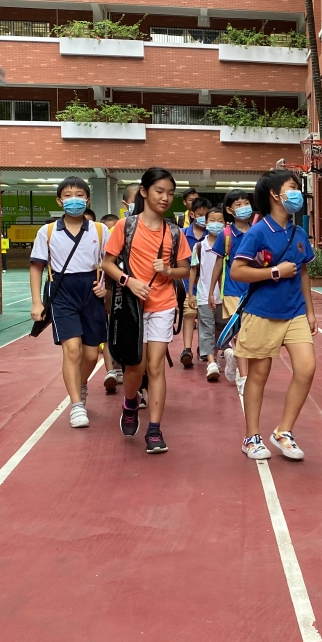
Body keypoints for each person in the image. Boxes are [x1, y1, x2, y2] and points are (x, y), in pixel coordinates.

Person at [102, 168, 191, 454]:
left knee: (155, 367)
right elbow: (107, 264)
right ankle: (130, 404)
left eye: (170, 193)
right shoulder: (125, 227)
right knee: (135, 366)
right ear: (144, 191)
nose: (165, 198)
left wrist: (168, 270)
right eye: (159, 191)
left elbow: (185, 270)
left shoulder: (174, 232)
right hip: (131, 307)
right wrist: (128, 281)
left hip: (163, 305)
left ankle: (154, 430)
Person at [230, 170, 317, 461]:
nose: (298, 193)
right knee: (259, 374)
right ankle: (251, 437)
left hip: (295, 312)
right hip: (262, 312)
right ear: (274, 194)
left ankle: (283, 431)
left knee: (306, 368)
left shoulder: (299, 232)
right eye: (293, 187)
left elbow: (303, 272)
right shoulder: (257, 232)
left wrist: (310, 311)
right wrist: (274, 272)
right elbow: (237, 271)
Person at [29, 177, 108, 429]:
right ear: (59, 201)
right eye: (68, 195)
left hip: (91, 292)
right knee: (72, 349)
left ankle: (80, 384)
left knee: (91, 354)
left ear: (88, 200)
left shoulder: (99, 230)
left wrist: (105, 286)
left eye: (79, 195)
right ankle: (76, 405)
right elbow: (36, 267)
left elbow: (109, 263)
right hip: (62, 292)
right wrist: (37, 303)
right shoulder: (48, 232)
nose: (74, 199)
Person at [211, 189, 255, 390]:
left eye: (246, 203)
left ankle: (233, 357)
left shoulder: (258, 231)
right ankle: (244, 377)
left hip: (254, 291)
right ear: (229, 210)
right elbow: (218, 264)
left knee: (251, 335)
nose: (244, 207)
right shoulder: (226, 235)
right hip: (232, 291)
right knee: (240, 333)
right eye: (238, 204)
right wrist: (211, 291)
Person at [189, 206, 227, 382]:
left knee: (221, 328)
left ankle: (215, 355)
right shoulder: (199, 246)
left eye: (220, 221)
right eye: (212, 220)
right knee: (206, 328)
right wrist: (191, 294)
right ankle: (211, 362)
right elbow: (193, 270)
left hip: (225, 296)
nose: (216, 224)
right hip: (204, 295)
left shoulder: (228, 245)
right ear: (205, 223)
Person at [179, 197, 211, 368]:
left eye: (206, 216)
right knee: (189, 314)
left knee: (206, 317)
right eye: (200, 215)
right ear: (192, 214)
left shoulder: (214, 235)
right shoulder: (182, 234)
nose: (203, 219)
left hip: (208, 285)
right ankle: (187, 349)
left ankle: (203, 348)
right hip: (187, 284)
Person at [99, 214, 122, 393]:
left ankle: (120, 366)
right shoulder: (101, 247)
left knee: (122, 331)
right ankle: (111, 370)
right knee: (108, 332)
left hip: (123, 293)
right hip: (105, 293)